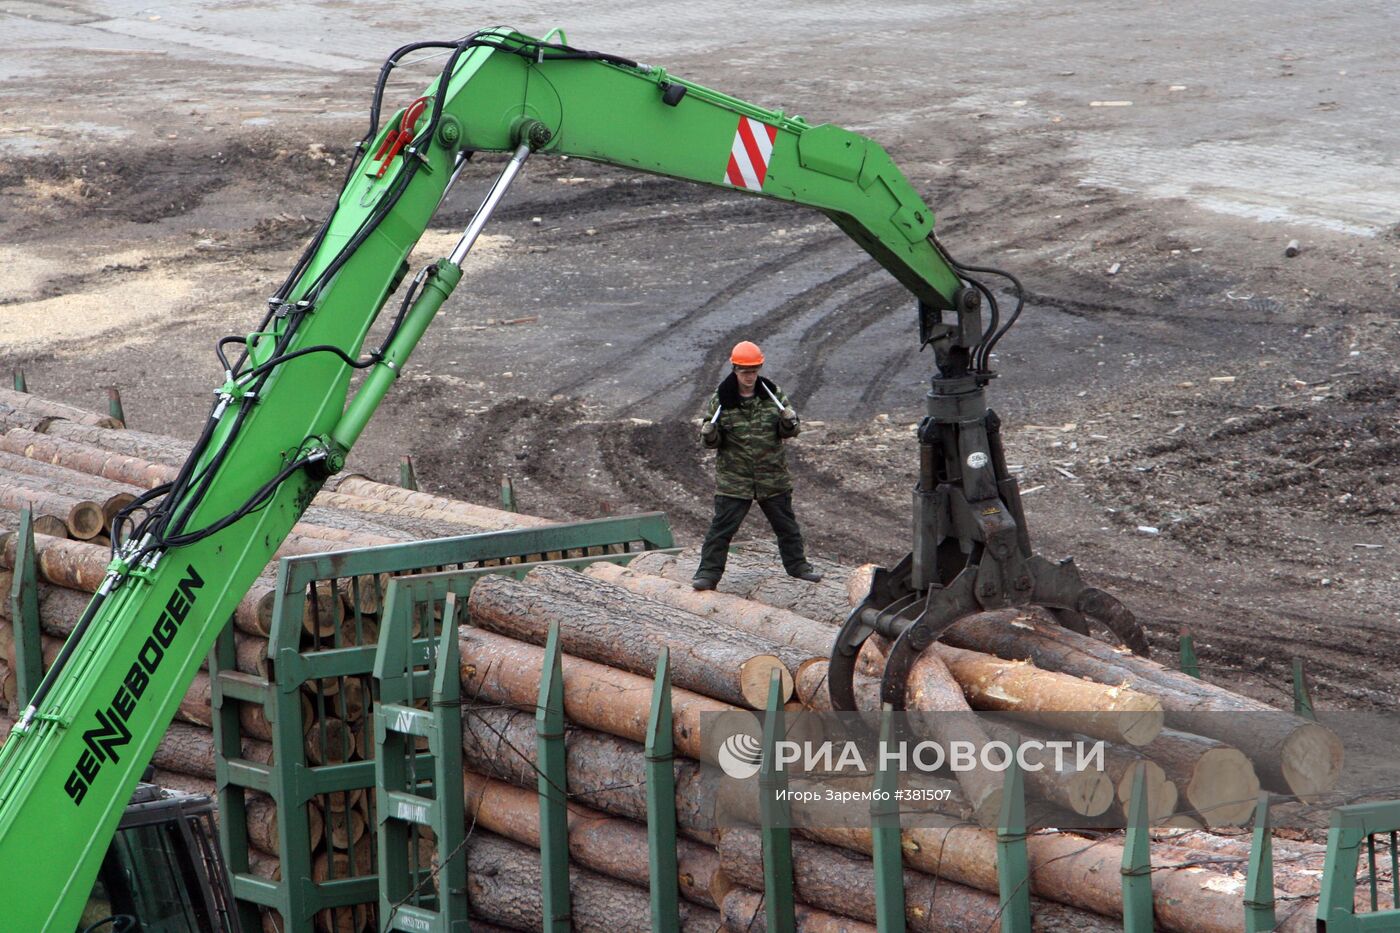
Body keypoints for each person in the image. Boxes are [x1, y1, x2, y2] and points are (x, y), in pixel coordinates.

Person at [693, 340, 822, 590]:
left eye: (753, 371)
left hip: (772, 477)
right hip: (735, 480)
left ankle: (798, 568)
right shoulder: (721, 400)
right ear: (735, 370)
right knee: (721, 531)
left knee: (787, 527)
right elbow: (710, 442)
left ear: (759, 369)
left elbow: (790, 432)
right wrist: (709, 433)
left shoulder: (773, 395)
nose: (750, 377)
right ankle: (707, 575)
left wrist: (789, 422)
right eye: (744, 372)